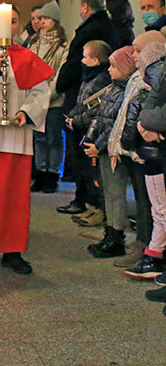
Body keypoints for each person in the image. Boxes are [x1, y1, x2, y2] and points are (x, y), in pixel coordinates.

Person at [0, 4, 53, 274]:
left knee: (13, 197)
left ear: (17, 25)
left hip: (15, 137)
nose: (10, 26)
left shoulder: (27, 57)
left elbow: (41, 92)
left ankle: (12, 250)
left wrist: (26, 112)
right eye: (5, 20)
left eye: (15, 21)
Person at [56, 0, 120, 215]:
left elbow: (75, 63)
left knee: (83, 155)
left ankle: (86, 202)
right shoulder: (110, 26)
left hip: (82, 98)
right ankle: (87, 202)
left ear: (84, 7)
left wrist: (61, 84)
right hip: (84, 95)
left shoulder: (91, 30)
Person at [83, 46, 138, 259]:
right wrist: (90, 141)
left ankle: (116, 235)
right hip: (103, 147)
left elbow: (118, 124)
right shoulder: (114, 87)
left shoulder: (128, 91)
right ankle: (110, 231)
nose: (109, 70)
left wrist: (100, 145)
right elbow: (101, 117)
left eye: (114, 66)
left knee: (116, 194)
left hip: (113, 149)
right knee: (108, 192)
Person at [121, 42, 166, 279]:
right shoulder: (151, 77)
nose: (133, 56)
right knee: (156, 207)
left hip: (155, 152)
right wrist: (147, 122)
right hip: (150, 149)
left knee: (160, 209)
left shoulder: (155, 74)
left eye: (138, 52)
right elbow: (149, 109)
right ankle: (153, 253)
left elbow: (152, 111)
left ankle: (154, 257)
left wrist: (150, 125)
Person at [64, 40, 112, 227]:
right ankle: (90, 206)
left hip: (92, 130)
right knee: (84, 171)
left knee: (94, 174)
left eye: (86, 57)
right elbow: (83, 102)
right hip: (81, 129)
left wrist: (76, 120)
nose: (82, 60)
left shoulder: (101, 78)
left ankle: (99, 210)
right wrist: (72, 116)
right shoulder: (88, 76)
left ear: (95, 60)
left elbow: (95, 107)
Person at [28, 0, 69, 193]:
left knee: (54, 137)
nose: (41, 21)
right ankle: (40, 171)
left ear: (55, 21)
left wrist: (48, 95)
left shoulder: (63, 46)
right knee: (39, 138)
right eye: (40, 18)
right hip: (35, 97)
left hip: (54, 99)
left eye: (46, 18)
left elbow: (61, 73)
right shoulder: (33, 42)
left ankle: (53, 174)